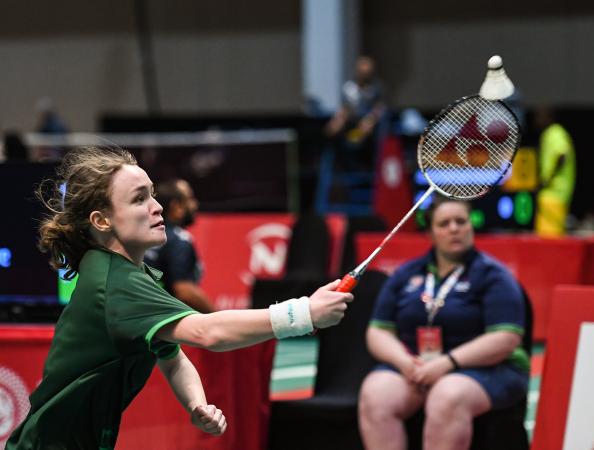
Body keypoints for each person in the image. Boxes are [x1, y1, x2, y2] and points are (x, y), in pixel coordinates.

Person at [6, 147, 353, 449]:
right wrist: (303, 313)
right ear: (102, 220)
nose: (157, 207)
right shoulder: (116, 282)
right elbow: (207, 333)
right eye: (139, 198)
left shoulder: (130, 274)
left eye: (153, 194)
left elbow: (171, 355)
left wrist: (195, 404)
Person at [358, 196, 529, 450]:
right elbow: (378, 331)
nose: (454, 229)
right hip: (417, 367)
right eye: (444, 223)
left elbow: (506, 338)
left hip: (488, 369)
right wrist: (404, 363)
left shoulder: (494, 276)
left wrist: (447, 363)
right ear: (430, 232)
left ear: (471, 226)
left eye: (461, 221)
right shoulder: (407, 274)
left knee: (447, 396)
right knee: (375, 395)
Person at [144, 179, 214, 313]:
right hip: (162, 320)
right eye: (190, 199)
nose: (195, 204)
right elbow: (184, 290)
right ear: (177, 207)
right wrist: (217, 318)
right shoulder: (179, 239)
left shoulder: (142, 235)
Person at [324, 55, 386, 171]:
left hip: (369, 125)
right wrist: (338, 120)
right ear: (357, 71)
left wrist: (370, 119)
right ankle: (336, 157)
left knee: (366, 126)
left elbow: (379, 108)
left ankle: (357, 149)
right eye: (362, 72)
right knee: (334, 126)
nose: (365, 75)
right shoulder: (348, 87)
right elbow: (345, 109)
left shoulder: (376, 88)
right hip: (351, 122)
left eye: (367, 73)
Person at [533, 107, 576, 237]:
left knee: (549, 238)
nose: (536, 120)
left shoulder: (554, 132)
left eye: (540, 116)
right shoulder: (553, 133)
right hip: (553, 193)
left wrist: (548, 179)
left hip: (554, 193)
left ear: (549, 117)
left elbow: (562, 155)